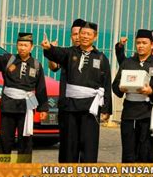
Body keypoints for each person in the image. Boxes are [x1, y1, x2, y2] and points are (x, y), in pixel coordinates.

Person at [42, 21, 112, 163]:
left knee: (89, 146)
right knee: (69, 146)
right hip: (70, 108)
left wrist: (106, 109)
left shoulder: (101, 58)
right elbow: (56, 53)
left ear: (95, 36)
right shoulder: (69, 53)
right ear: (78, 35)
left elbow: (106, 84)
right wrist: (49, 47)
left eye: (89, 34)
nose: (85, 36)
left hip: (91, 109)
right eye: (83, 33)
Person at [0, 31, 48, 163]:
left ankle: (23, 169)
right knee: (5, 139)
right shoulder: (8, 59)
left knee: (26, 139)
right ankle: (3, 168)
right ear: (16, 46)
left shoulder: (36, 65)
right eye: (20, 45)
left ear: (31, 47)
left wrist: (43, 109)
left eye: (25, 45)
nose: (22, 48)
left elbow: (40, 88)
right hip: (9, 104)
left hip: (27, 105)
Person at [112, 29, 153, 162]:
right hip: (129, 113)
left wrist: (152, 92)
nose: (141, 46)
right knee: (129, 153)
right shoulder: (128, 62)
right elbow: (115, 84)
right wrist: (121, 89)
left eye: (144, 43)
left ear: (152, 45)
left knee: (147, 152)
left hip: (148, 112)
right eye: (138, 43)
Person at [47, 18, 86, 163]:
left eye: (79, 33)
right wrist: (51, 53)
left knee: (83, 144)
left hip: (84, 108)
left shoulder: (93, 55)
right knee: (66, 146)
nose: (77, 37)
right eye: (74, 34)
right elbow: (54, 67)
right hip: (66, 106)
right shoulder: (66, 53)